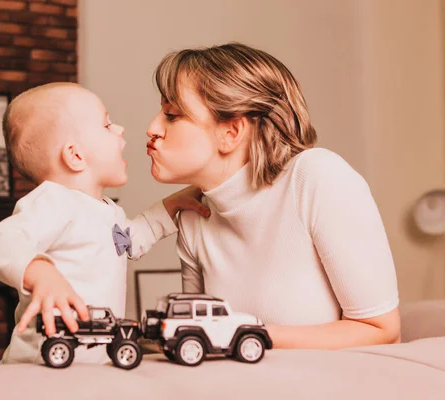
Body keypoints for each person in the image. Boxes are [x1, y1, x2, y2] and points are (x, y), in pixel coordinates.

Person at [145, 42, 401, 349]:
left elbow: (382, 330)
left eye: (172, 114)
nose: (152, 128)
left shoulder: (318, 177)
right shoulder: (192, 216)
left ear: (231, 132)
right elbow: (199, 342)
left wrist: (245, 334)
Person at [0, 83, 209, 364]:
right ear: (75, 155)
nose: (120, 129)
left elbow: (131, 239)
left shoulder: (107, 211)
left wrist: (172, 204)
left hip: (93, 357)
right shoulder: (54, 202)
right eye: (107, 124)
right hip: (38, 366)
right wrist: (40, 273)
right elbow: (2, 240)